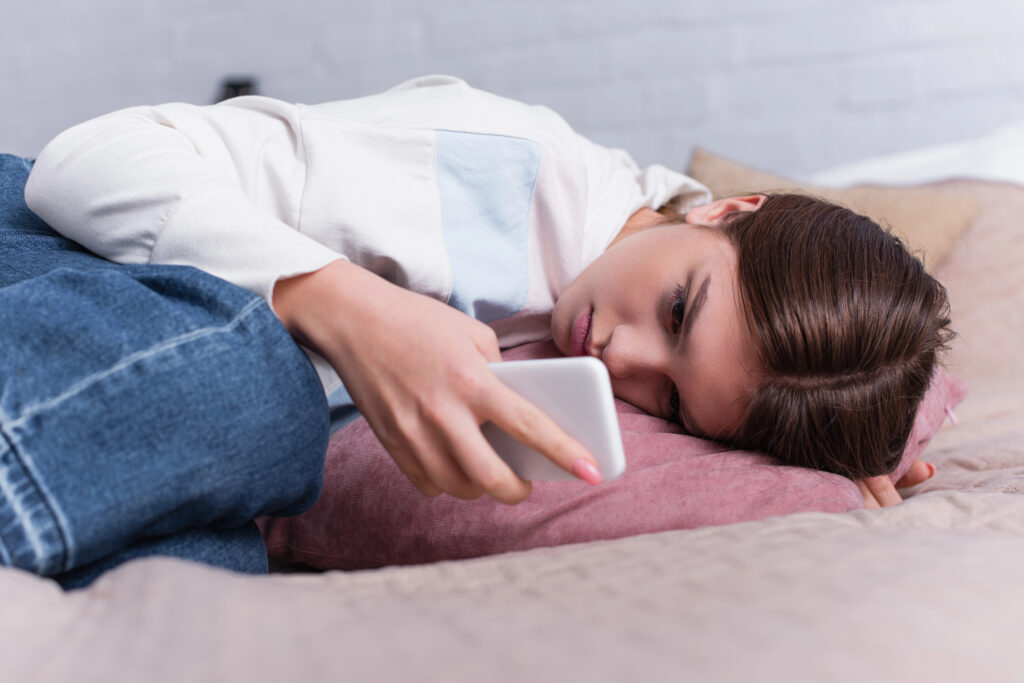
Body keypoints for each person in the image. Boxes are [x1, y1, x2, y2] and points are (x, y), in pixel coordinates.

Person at [9, 75, 943, 586]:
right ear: (726, 207)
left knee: (201, 566)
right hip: (51, 241)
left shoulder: (662, 311)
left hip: (125, 392)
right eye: (677, 312)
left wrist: (847, 449)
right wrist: (343, 304)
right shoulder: (495, 169)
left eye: (669, 399)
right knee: (263, 396)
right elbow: (84, 161)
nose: (622, 357)